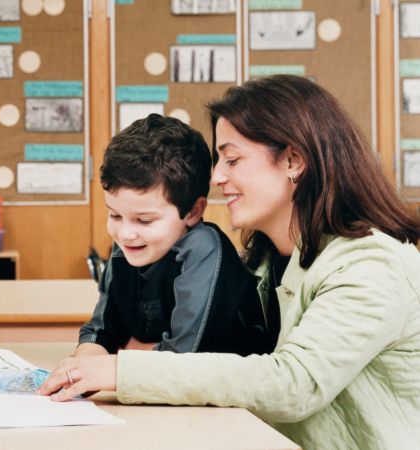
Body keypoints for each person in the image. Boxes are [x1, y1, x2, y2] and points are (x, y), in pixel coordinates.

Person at [39, 75, 420, 450]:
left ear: (294, 160)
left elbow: (293, 383)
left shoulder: (371, 263)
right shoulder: (267, 262)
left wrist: (121, 370)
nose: (217, 176)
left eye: (232, 159)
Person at [77, 114, 274, 358]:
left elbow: (182, 357)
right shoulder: (127, 250)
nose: (126, 234)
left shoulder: (203, 248)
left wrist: (124, 358)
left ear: (192, 211)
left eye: (145, 220)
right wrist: (85, 360)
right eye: (115, 216)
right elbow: (100, 330)